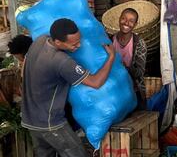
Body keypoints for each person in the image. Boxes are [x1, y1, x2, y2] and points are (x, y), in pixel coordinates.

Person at [21, 18, 116, 157]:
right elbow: (96, 82)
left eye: (79, 40)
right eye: (74, 44)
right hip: (51, 124)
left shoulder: (40, 41)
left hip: (30, 120)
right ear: (58, 42)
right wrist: (111, 57)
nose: (79, 46)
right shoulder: (62, 61)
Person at [112, 8, 147, 110]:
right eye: (124, 19)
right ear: (119, 19)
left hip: (134, 91)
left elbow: (140, 72)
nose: (126, 23)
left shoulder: (139, 43)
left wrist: (123, 68)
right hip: (114, 90)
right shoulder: (110, 40)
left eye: (131, 21)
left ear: (135, 24)